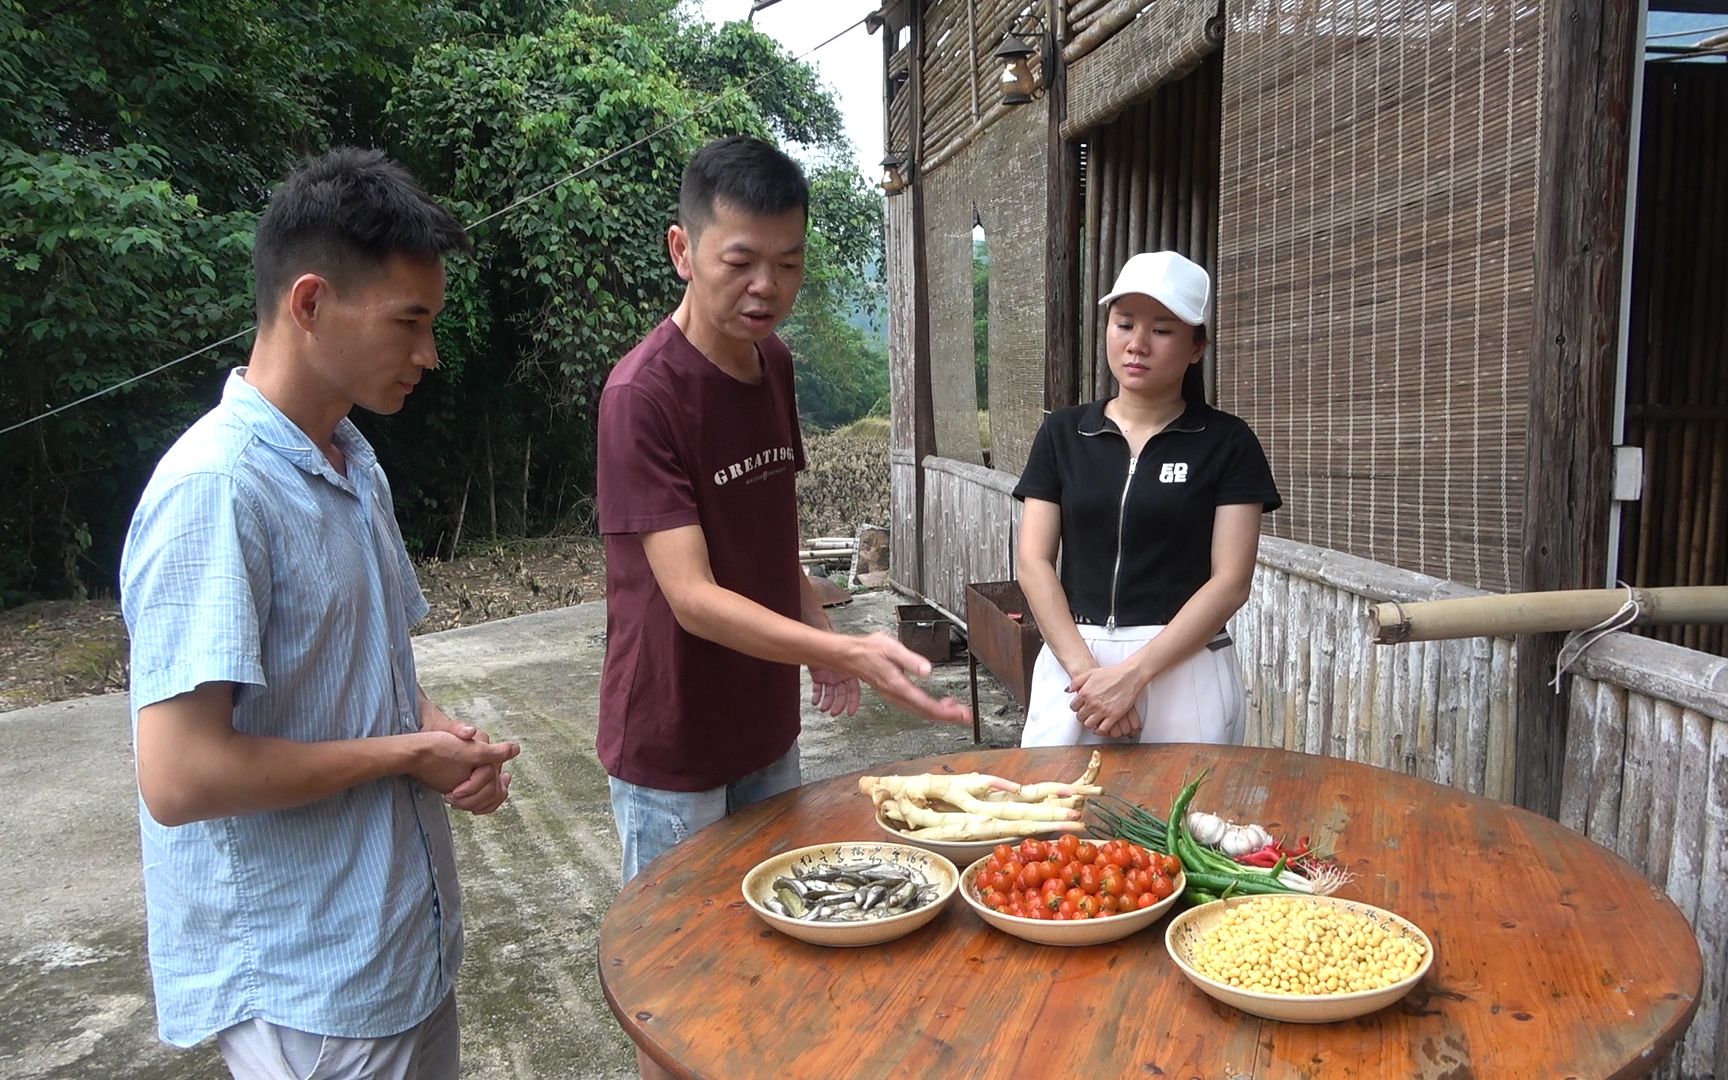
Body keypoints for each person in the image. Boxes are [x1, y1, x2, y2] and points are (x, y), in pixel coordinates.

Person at [120, 147, 520, 1079]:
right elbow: (180, 776)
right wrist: (403, 756)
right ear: (309, 304)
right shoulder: (214, 491)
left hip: (397, 949)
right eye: (409, 322)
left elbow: (376, 670)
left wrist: (444, 742)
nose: (429, 353)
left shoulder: (349, 459)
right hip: (307, 989)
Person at [596, 135, 969, 888]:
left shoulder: (775, 364)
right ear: (683, 250)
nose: (766, 286)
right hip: (674, 741)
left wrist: (818, 635)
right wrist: (848, 653)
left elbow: (768, 526)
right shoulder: (643, 396)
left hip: (765, 723)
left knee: (776, 937)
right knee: (682, 965)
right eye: (740, 263)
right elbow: (693, 599)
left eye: (789, 263)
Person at [1012, 250, 1281, 746]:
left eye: (1161, 329)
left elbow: (1231, 582)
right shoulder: (1064, 434)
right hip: (1076, 668)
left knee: (1185, 819)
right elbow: (1033, 561)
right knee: (1055, 815)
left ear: (1196, 346)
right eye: (1124, 323)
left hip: (1184, 666)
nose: (1137, 344)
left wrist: (1133, 676)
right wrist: (1091, 676)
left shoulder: (1226, 442)